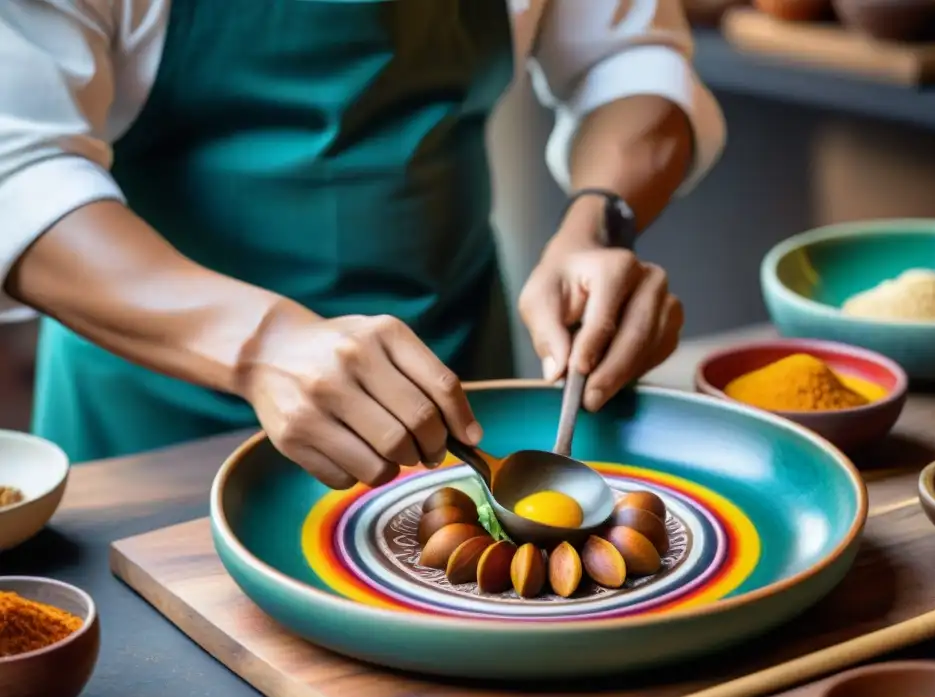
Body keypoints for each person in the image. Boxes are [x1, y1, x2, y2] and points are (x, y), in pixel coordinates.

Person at [0, 0, 725, 489]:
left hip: (464, 394)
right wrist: (264, 346)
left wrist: (600, 222)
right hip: (153, 433)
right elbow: (19, 170)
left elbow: (628, 62)